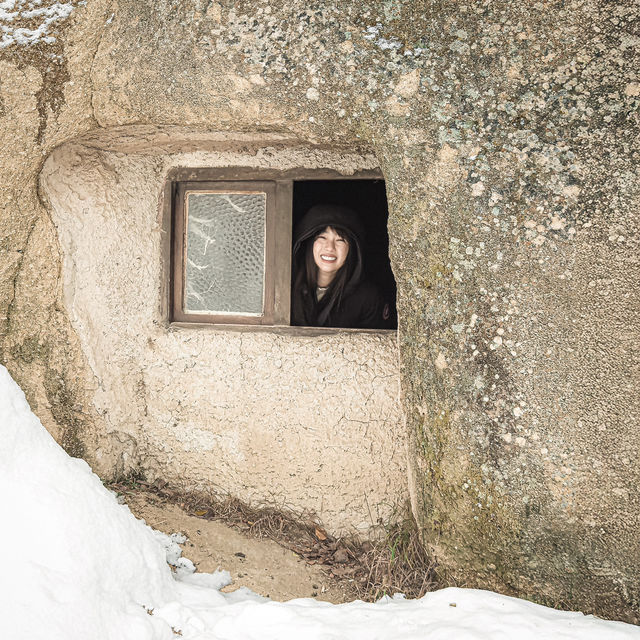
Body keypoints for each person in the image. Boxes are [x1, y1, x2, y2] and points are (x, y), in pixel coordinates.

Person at [291, 204, 388, 329]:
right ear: (310, 244)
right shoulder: (287, 288)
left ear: (352, 249)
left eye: (340, 240)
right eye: (322, 237)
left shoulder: (368, 299)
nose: (330, 247)